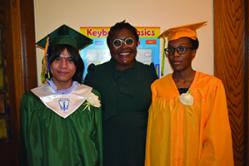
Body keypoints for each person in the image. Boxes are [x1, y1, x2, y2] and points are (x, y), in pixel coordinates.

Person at [145, 21, 234, 166]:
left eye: (182, 49)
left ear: (193, 52)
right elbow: (154, 138)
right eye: (171, 50)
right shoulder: (158, 87)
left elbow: (217, 136)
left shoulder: (211, 86)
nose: (175, 55)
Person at [20, 24, 103, 166]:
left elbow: (97, 144)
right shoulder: (32, 100)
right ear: (48, 62)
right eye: (57, 59)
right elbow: (28, 147)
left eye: (70, 60)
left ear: (77, 64)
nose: (63, 66)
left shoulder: (90, 96)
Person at [84, 21, 158, 166]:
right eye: (117, 43)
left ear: (137, 43)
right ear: (109, 46)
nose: (124, 47)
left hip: (141, 150)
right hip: (107, 150)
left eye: (129, 41)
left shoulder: (149, 74)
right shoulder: (95, 75)